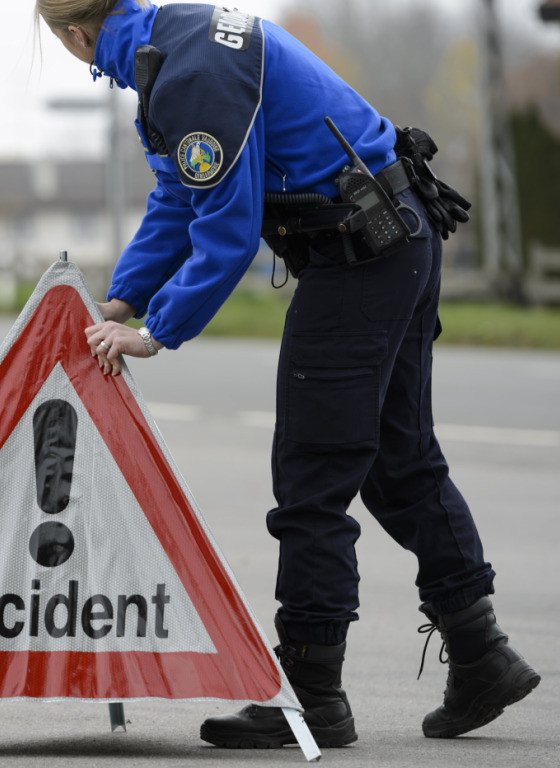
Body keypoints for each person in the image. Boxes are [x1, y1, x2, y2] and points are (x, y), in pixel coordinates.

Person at [36, 0, 539, 749]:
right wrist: (122, 297)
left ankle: (310, 693)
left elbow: (228, 230)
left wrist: (154, 332)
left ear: (77, 35)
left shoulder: (188, 75)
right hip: (398, 234)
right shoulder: (176, 40)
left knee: (312, 477)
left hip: (359, 253)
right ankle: (481, 655)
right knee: (400, 461)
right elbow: (179, 195)